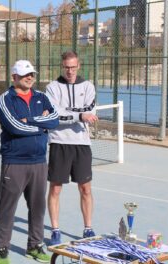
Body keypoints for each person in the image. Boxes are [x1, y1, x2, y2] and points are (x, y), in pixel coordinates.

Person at [0, 60, 59, 264]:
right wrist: (42, 123)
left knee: (38, 207)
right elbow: (14, 127)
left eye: (32, 74)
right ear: (14, 77)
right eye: (25, 75)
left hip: (39, 161)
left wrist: (30, 121)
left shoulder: (42, 97)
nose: (30, 77)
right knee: (7, 208)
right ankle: (3, 249)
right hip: (14, 162)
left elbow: (55, 120)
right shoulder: (5, 99)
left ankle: (35, 245)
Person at [46, 50, 98, 246]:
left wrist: (70, 113)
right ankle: (55, 229)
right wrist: (78, 115)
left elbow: (89, 112)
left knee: (85, 188)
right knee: (56, 189)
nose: (70, 71)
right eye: (67, 67)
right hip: (59, 143)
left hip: (82, 144)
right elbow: (54, 116)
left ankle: (88, 228)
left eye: (73, 67)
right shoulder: (52, 88)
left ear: (79, 66)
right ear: (62, 66)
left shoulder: (88, 87)